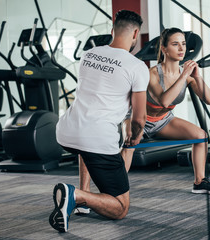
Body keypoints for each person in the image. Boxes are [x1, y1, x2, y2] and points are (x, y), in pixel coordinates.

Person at [77, 27, 210, 206]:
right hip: (138, 118)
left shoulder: (187, 76)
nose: (181, 49)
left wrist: (197, 77)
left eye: (183, 44)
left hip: (163, 121)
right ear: (164, 48)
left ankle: (200, 182)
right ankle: (113, 191)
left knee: (200, 136)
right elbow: (163, 101)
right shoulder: (152, 73)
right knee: (130, 144)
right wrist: (184, 76)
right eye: (175, 44)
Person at [49, 10, 149, 233]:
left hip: (66, 132)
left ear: (113, 31)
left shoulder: (89, 54)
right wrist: (135, 137)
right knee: (121, 208)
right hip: (97, 139)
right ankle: (75, 194)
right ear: (135, 34)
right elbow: (139, 118)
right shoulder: (136, 67)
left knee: (87, 146)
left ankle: (81, 203)